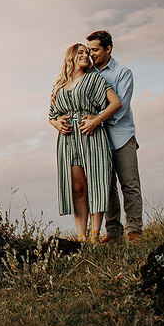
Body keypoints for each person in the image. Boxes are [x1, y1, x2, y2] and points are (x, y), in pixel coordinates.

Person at [49, 43, 121, 241]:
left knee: (96, 183)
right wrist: (56, 124)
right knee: (78, 188)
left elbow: (116, 103)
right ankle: (81, 235)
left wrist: (97, 119)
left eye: (87, 53)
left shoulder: (93, 79)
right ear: (70, 57)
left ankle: (95, 234)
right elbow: (51, 115)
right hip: (68, 139)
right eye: (80, 52)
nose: (85, 55)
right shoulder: (59, 85)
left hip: (91, 134)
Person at [87, 29, 143, 242]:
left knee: (129, 184)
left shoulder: (123, 72)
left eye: (95, 49)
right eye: (89, 50)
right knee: (106, 187)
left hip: (122, 136)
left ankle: (134, 230)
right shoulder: (89, 74)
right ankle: (113, 233)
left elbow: (121, 107)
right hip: (98, 140)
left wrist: (97, 119)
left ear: (108, 49)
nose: (91, 54)